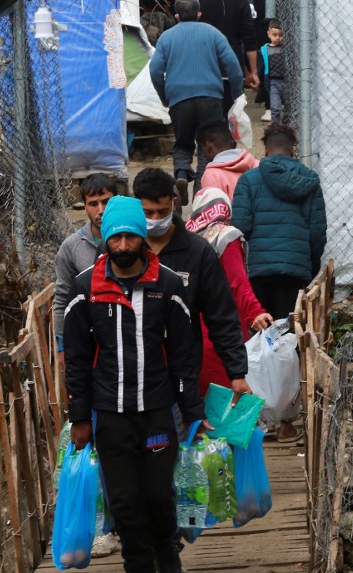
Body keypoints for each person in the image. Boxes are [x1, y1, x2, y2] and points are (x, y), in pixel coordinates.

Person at [63, 196, 206, 573]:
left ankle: (167, 550)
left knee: (159, 494)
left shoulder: (168, 286)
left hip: (157, 411)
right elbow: (76, 360)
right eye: (116, 237)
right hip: (110, 415)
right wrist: (79, 417)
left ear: (142, 238)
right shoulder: (85, 289)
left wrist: (193, 412)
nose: (123, 245)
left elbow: (184, 356)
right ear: (105, 239)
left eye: (130, 237)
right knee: (125, 502)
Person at [231, 124, 326, 441]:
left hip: (257, 272)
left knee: (258, 345)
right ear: (293, 149)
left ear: (265, 148)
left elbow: (240, 227)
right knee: (289, 346)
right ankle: (287, 423)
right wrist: (308, 268)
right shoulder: (309, 181)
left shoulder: (249, 180)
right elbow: (317, 232)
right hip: (294, 272)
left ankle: (257, 419)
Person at [132, 167, 251, 402]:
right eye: (148, 213)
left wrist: (236, 372)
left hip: (182, 371)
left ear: (174, 203)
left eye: (162, 212)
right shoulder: (124, 250)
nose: (155, 219)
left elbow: (221, 315)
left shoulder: (197, 252)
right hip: (130, 372)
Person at [150, 0, 243, 206]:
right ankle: (201, 196)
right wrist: (237, 95)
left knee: (182, 144)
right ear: (199, 14)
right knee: (206, 147)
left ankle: (181, 174)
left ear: (176, 16)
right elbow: (233, 66)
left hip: (179, 101)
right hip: (210, 99)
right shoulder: (213, 33)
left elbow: (155, 70)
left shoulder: (167, 37)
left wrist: (165, 96)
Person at [184, 187, 273, 394]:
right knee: (225, 398)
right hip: (221, 330)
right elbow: (238, 281)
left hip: (189, 332)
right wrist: (255, 312)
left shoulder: (186, 239)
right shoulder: (226, 236)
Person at [52, 173, 116, 369]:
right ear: (84, 206)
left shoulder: (134, 240)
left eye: (106, 202)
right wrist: (61, 346)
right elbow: (61, 299)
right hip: (88, 341)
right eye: (93, 204)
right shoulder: (72, 247)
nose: (101, 210)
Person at [199, 0, 260, 107]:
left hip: (205, 63)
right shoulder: (241, 2)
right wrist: (253, 71)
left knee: (206, 109)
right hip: (232, 63)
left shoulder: (198, 3)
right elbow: (249, 37)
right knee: (232, 110)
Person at [198, 122, 258, 200]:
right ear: (232, 142)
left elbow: (214, 205)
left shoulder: (212, 175)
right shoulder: (258, 164)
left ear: (208, 146)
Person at [258, 19, 287, 124]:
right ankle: (276, 127)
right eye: (275, 35)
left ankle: (286, 124)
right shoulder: (264, 50)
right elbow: (261, 68)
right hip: (273, 82)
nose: (277, 38)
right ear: (269, 34)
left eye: (280, 35)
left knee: (289, 106)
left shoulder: (286, 49)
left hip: (286, 81)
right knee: (275, 108)